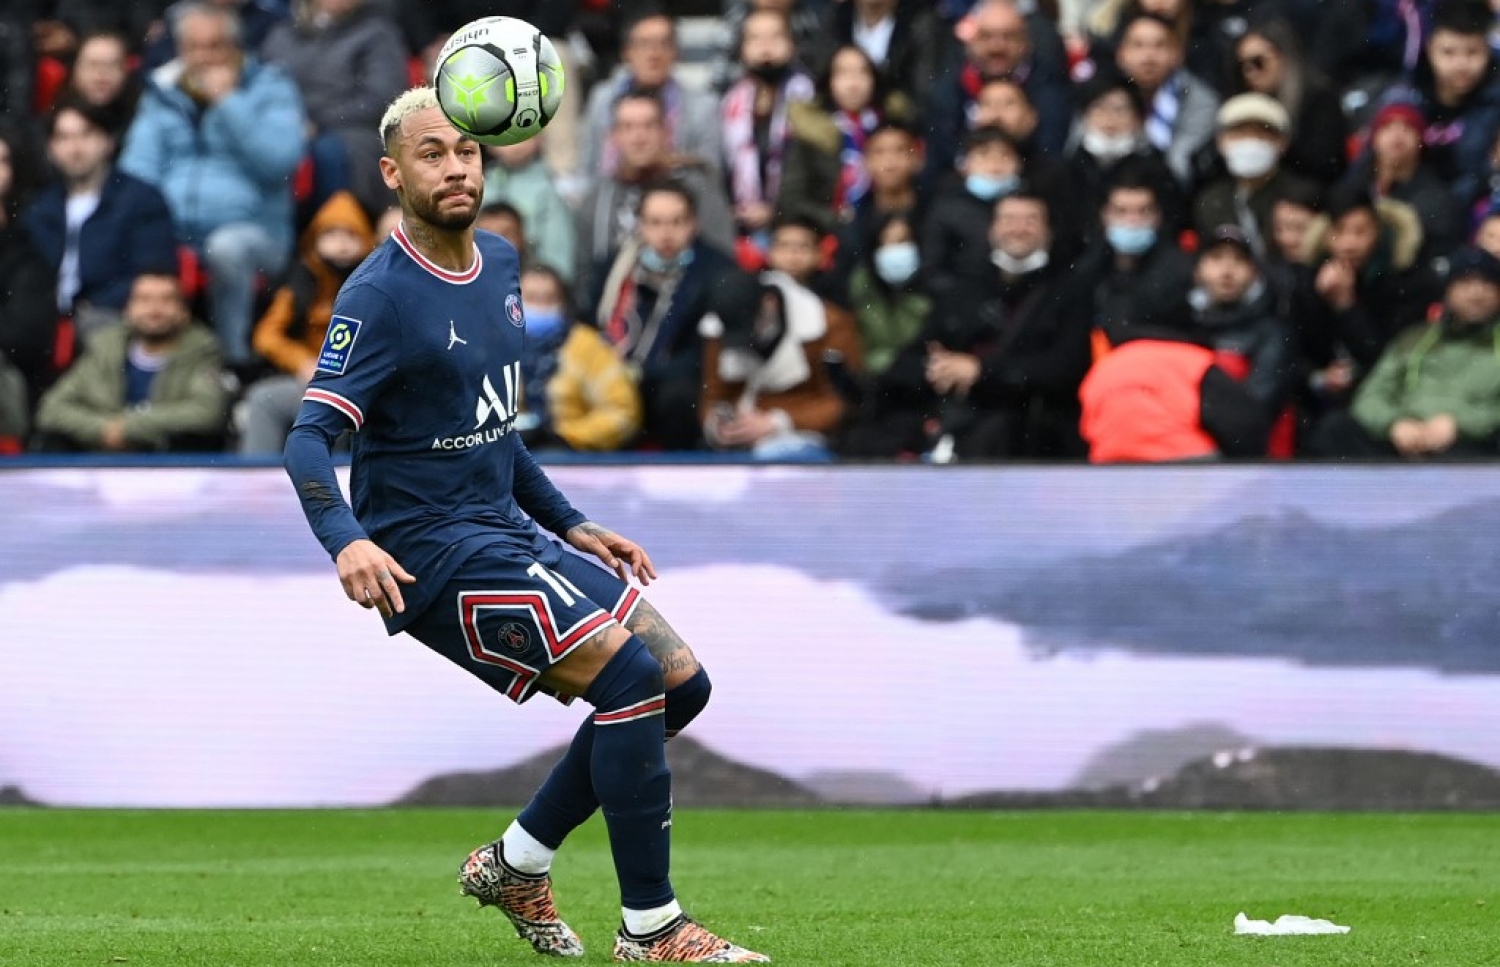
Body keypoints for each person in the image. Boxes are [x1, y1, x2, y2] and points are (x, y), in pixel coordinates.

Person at [283, 86, 769, 964]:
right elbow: (307, 438)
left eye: (466, 151)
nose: (455, 167)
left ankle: (518, 861)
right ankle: (652, 927)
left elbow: (494, 430)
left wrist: (570, 521)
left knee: (681, 685)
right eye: (431, 154)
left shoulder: (501, 261)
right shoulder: (378, 296)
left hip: (506, 527)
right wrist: (346, 537)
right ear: (393, 173)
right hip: (429, 552)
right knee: (629, 678)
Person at [120, 0, 307, 368]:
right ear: (180, 49)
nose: (204, 57)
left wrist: (229, 103)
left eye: (215, 46)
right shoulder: (163, 94)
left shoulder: (271, 87)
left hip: (257, 232)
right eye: (194, 47)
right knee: (126, 232)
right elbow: (136, 173)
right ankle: (142, 367)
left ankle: (232, 362)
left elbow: (280, 162)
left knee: (226, 248)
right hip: (176, 230)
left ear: (236, 46)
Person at [1308, 245, 1500, 459]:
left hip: (1469, 446)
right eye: (1465, 283)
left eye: (1487, 283)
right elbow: (1371, 396)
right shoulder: (1413, 339)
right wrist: (1394, 424)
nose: (1476, 293)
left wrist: (1461, 424)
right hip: (1402, 439)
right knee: (1334, 430)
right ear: (1447, 291)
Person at [588, 179, 737, 450]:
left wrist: (644, 373)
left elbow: (706, 351)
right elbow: (589, 323)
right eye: (655, 222)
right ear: (640, 225)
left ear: (694, 224)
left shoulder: (717, 272)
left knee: (677, 394)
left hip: (676, 385)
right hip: (613, 374)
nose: (666, 233)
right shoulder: (614, 267)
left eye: (677, 222)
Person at [23, 98, 179, 340]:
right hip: (46, 318)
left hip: (110, 315)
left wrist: (92, 306)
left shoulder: (141, 200)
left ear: (107, 141)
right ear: (51, 149)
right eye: (63, 138)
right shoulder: (40, 207)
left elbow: (151, 271)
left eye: (85, 135)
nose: (75, 148)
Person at [239, 191, 374, 455]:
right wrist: (302, 362)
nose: (341, 244)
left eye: (351, 234)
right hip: (312, 380)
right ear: (315, 240)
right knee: (264, 399)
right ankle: (256, 476)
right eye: (331, 234)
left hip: (363, 383)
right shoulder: (300, 283)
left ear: (366, 239)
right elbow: (266, 336)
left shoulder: (376, 284)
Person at [32, 271, 228, 452]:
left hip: (171, 464)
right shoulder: (104, 348)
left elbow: (206, 413)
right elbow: (51, 408)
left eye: (167, 300)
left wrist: (129, 428)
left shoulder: (202, 350)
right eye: (144, 299)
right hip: (102, 463)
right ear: (128, 309)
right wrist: (102, 429)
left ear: (184, 312)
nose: (154, 309)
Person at [261, 0, 410, 218]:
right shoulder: (282, 35)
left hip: (353, 133)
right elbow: (262, 89)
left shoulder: (378, 33)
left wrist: (319, 122)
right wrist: (290, 123)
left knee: (327, 154)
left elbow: (382, 98)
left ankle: (333, 227)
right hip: (285, 128)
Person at [698, 266, 861, 461]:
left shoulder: (828, 323)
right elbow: (713, 395)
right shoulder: (719, 328)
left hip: (808, 436)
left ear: (770, 303)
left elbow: (843, 404)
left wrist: (777, 422)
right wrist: (717, 425)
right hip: (741, 439)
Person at [514, 263, 642, 452]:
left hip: (568, 455)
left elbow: (623, 413)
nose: (540, 307)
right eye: (531, 298)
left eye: (549, 299)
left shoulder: (588, 347)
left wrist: (564, 436)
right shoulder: (490, 345)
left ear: (563, 302)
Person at [1191, 93, 1317, 259]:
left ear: (1283, 142)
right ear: (1220, 142)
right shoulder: (1210, 201)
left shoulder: (1303, 197)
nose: (1250, 141)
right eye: (1240, 133)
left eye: (1261, 133)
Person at [483, 137, 577, 284]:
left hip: (530, 282)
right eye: (506, 133)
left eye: (524, 133)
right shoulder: (483, 182)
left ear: (540, 138)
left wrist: (549, 284)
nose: (515, 142)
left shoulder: (549, 189)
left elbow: (557, 254)